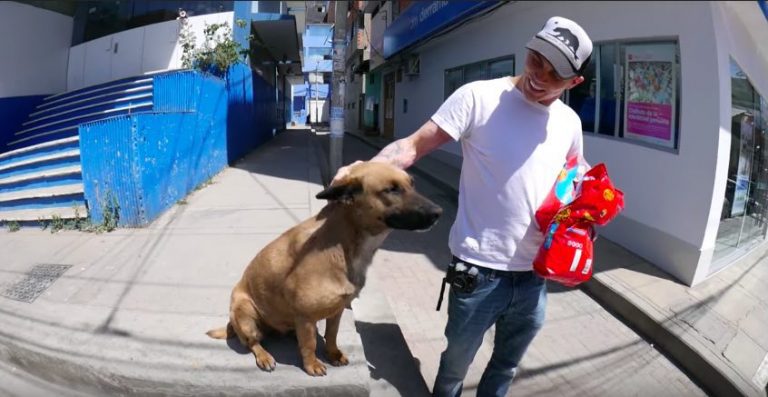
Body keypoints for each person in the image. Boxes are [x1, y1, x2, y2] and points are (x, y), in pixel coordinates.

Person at [333, 16, 593, 397]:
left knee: (505, 367)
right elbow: (413, 146)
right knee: (455, 369)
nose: (540, 75)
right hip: (478, 272)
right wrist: (361, 171)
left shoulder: (570, 123)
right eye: (537, 59)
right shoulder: (479, 97)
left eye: (556, 75)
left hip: (536, 275)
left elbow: (574, 176)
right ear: (529, 48)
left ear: (575, 83)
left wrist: (588, 204)